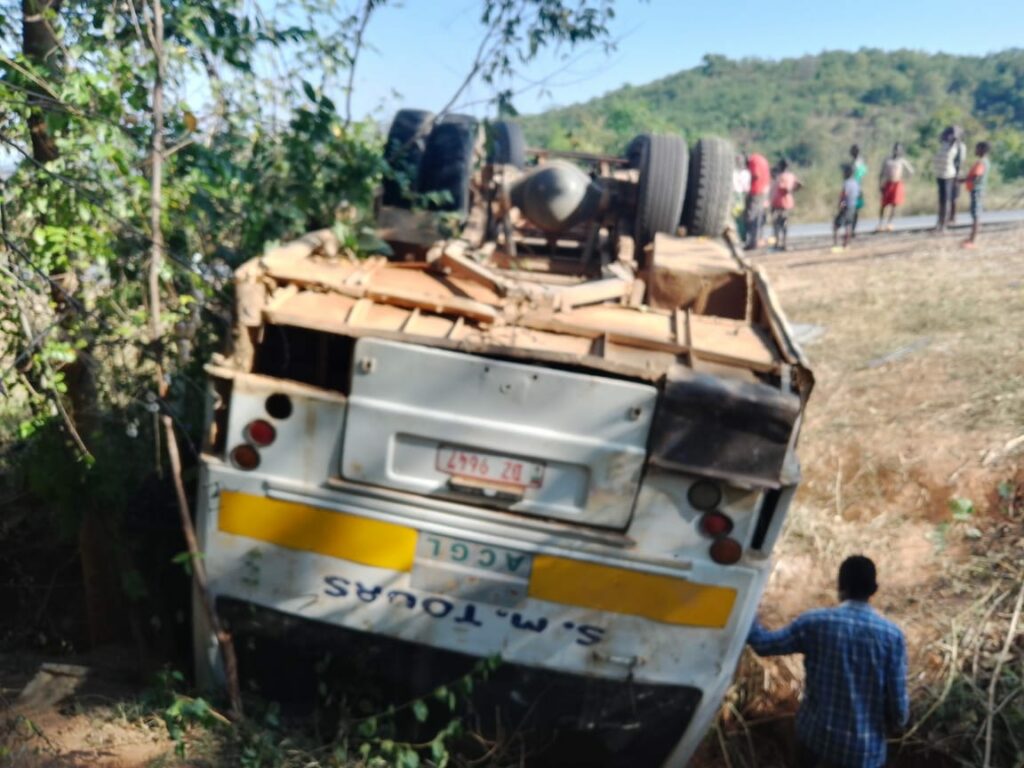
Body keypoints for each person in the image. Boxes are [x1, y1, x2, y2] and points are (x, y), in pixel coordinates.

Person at [748, 556, 909, 768]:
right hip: (863, 754)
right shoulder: (892, 637)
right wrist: (895, 724)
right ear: (874, 589)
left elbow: (763, 645)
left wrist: (745, 605)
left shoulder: (815, 623)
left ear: (840, 585)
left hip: (815, 743)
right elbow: (898, 709)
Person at [876, 143, 914, 232]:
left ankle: (889, 223)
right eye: (895, 149)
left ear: (901, 151)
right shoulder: (887, 160)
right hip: (888, 183)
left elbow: (911, 171)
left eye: (898, 149)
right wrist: (880, 185)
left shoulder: (902, 161)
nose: (896, 151)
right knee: (883, 204)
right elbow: (881, 173)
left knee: (894, 205)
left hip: (897, 184)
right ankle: (880, 223)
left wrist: (904, 179)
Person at [960, 141, 991, 249]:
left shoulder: (981, 163)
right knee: (975, 215)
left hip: (977, 191)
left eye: (977, 148)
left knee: (976, 216)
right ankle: (971, 238)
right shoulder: (984, 161)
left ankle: (972, 241)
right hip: (978, 191)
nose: (975, 150)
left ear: (982, 150)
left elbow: (976, 177)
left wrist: (963, 180)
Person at [770, 159, 801, 250]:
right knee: (784, 224)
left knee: (777, 224)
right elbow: (799, 184)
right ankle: (784, 243)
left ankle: (777, 244)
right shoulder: (791, 176)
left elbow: (784, 188)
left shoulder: (781, 177)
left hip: (779, 203)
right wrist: (792, 191)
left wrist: (788, 191)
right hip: (788, 203)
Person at [933, 126, 959, 232]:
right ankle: (939, 222)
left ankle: (944, 224)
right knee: (941, 201)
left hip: (948, 176)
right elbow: (940, 137)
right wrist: (945, 131)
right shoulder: (943, 144)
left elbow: (955, 137)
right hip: (940, 175)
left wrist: (953, 131)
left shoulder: (952, 146)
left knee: (946, 201)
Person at [744, 151, 771, 250]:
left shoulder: (753, 161)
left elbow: (756, 175)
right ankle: (757, 240)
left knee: (751, 217)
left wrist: (748, 181)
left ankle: (752, 242)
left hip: (756, 191)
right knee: (758, 217)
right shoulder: (761, 159)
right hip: (764, 191)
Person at [832, 164, 858, 250]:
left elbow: (844, 196)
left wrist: (841, 205)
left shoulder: (846, 183)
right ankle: (846, 245)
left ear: (847, 173)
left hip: (846, 206)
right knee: (848, 225)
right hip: (853, 206)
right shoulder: (855, 183)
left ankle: (836, 245)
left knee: (836, 225)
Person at [949, 126, 968, 226]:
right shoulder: (950, 145)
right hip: (948, 173)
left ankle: (953, 217)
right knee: (949, 197)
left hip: (955, 173)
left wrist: (957, 175)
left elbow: (960, 162)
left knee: (954, 197)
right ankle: (949, 216)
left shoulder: (961, 146)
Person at [849, 145, 868, 236]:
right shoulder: (853, 163)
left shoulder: (859, 162)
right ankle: (851, 229)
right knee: (851, 209)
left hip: (857, 187)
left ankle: (853, 229)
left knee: (855, 209)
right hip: (853, 188)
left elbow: (861, 175)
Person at [733, 153, 752, 243]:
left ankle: (743, 237)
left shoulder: (746, 173)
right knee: (737, 218)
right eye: (737, 160)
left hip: (742, 196)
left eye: (740, 160)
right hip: (736, 196)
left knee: (742, 218)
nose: (739, 162)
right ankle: (739, 237)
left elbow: (747, 187)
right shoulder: (734, 172)